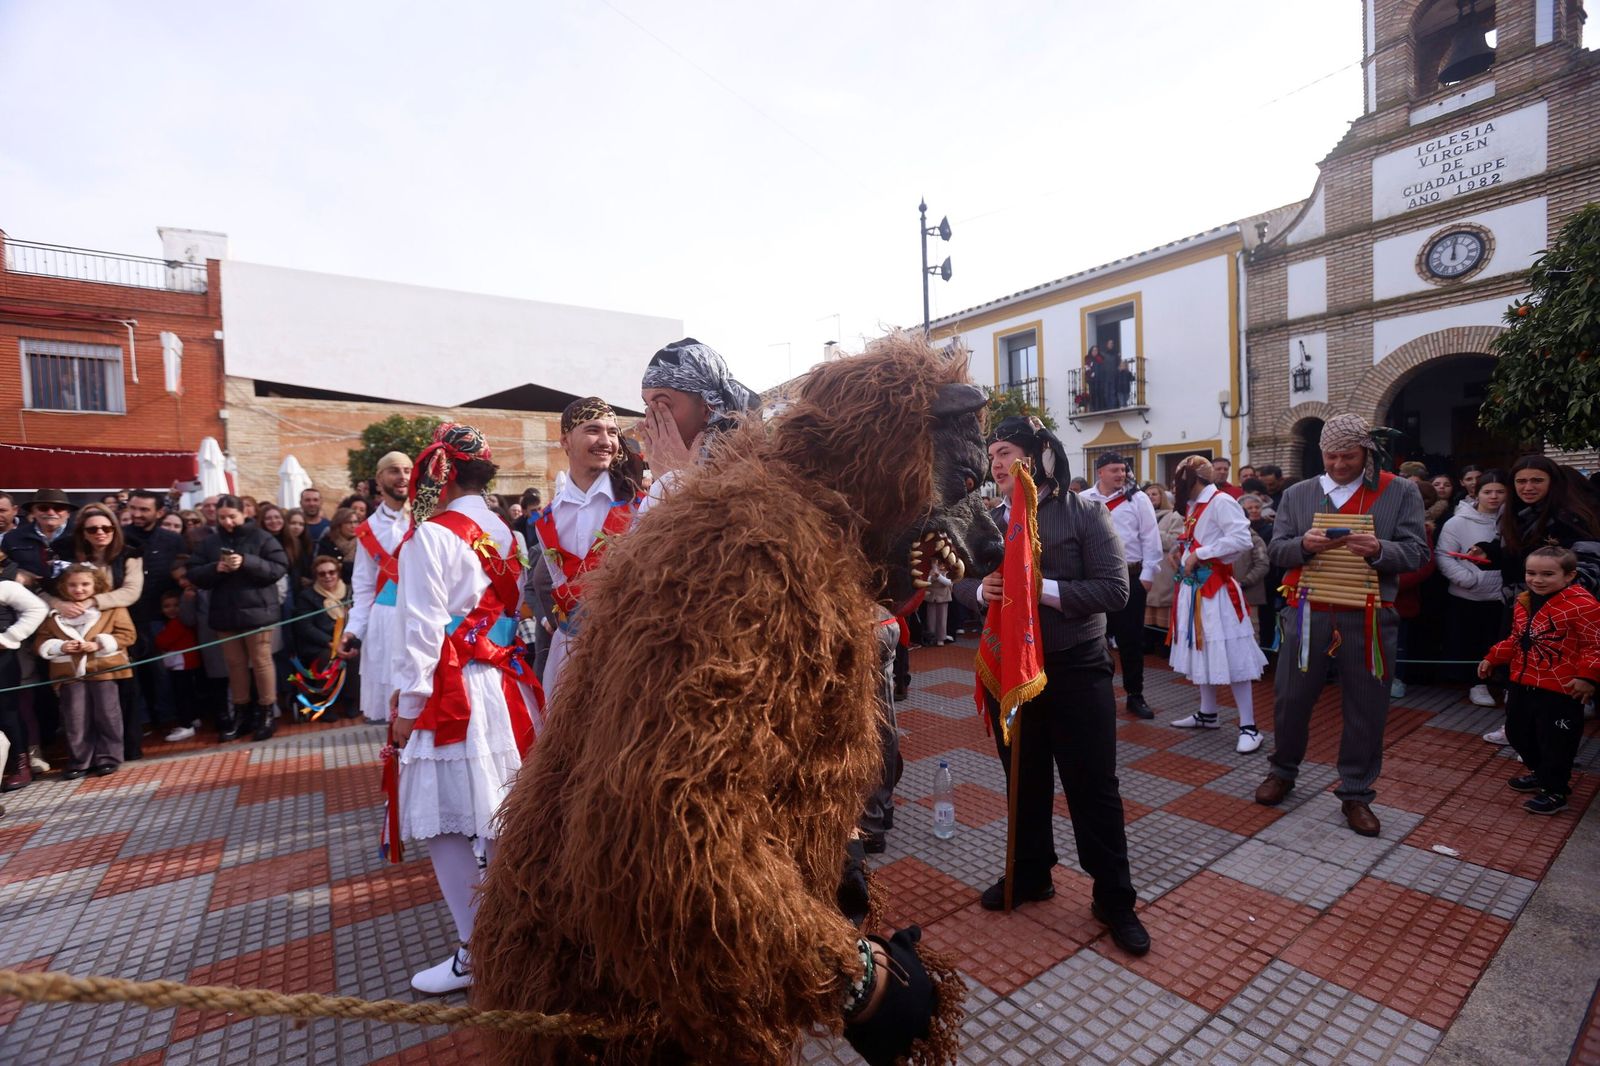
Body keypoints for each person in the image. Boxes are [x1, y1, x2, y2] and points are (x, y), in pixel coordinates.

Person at [953, 417, 1149, 955]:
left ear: (1039, 454)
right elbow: (959, 581)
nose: (996, 463)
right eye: (992, 453)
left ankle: (1114, 899)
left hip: (1077, 667)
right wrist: (981, 590)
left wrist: (1043, 589)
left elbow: (1115, 589)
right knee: (1023, 780)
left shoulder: (1086, 512)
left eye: (1007, 451)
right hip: (1015, 674)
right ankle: (1032, 872)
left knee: (1093, 788)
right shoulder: (991, 521)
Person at [390, 422, 543, 994]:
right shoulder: (506, 532)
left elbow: (422, 630)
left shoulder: (431, 536)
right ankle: (515, 938)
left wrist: (407, 705)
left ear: (440, 474)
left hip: (453, 690)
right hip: (503, 685)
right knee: (500, 814)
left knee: (448, 825)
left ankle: (476, 948)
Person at [1255, 415, 1428, 837]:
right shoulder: (1298, 494)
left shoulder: (1399, 491)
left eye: (1348, 456)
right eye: (1330, 456)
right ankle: (1283, 770)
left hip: (1369, 615)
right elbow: (1277, 550)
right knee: (1290, 699)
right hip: (1307, 610)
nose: (1338, 464)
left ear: (1366, 452)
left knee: (1367, 706)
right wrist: (1303, 546)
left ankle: (1356, 792)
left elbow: (1418, 552)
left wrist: (1381, 549)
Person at [526, 398, 643, 699]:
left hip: (625, 657)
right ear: (565, 440)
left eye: (613, 432)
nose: (606, 441)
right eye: (593, 430)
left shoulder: (639, 507)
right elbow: (551, 584)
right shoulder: (547, 519)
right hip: (565, 656)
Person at [1480, 547, 1600, 815]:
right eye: (1531, 573)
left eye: (1547, 574)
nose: (1537, 580)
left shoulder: (1584, 605)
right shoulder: (1524, 601)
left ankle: (1555, 790)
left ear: (1569, 575)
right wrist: (1493, 657)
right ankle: (1541, 773)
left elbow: (1595, 645)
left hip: (1562, 688)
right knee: (1517, 732)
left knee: (1557, 740)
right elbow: (1518, 638)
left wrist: (1587, 677)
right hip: (1523, 681)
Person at [1164, 456, 1270, 752]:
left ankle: (1249, 726)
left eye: (1179, 478)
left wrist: (1202, 553)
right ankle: (1208, 713)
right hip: (1194, 588)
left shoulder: (1221, 502)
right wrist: (1182, 549)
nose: (1175, 484)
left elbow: (1241, 539)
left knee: (1232, 653)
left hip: (1217, 591)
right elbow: (1197, 538)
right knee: (1203, 649)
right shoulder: (1194, 504)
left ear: (1193, 478)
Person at [187, 495, 290, 742]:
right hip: (225, 613)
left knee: (261, 661)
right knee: (234, 664)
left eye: (231, 516)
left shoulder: (261, 537)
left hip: (258, 612)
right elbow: (193, 572)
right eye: (222, 518)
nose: (227, 522)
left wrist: (246, 562)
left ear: (243, 513)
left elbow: (278, 567)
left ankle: (266, 712)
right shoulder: (210, 542)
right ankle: (241, 713)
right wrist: (215, 568)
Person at [55, 505, 148, 759]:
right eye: (93, 529)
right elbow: (50, 589)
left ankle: (127, 749)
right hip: (75, 631)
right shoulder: (66, 554)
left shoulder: (130, 554)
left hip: (119, 627)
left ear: (115, 529)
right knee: (80, 701)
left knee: (124, 691)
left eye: (106, 528)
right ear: (83, 532)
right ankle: (87, 754)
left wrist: (93, 602)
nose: (100, 533)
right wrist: (61, 605)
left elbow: (131, 591)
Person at [1080, 453, 1162, 719]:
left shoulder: (1138, 499)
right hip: (1093, 580)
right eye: (1114, 470)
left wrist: (1148, 574)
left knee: (1130, 641)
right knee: (1094, 640)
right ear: (1100, 472)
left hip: (1130, 578)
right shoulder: (1084, 500)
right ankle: (1096, 696)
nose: (1121, 474)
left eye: (1123, 470)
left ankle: (1134, 695)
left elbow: (1151, 537)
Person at [35, 563, 136, 778]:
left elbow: (128, 635)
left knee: (108, 714)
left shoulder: (112, 608)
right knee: (75, 717)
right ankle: (80, 760)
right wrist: (59, 647)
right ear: (63, 587)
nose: (78, 589)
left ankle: (109, 757)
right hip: (69, 674)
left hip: (104, 671)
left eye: (84, 584)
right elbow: (40, 642)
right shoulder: (55, 614)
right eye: (72, 585)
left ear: (95, 585)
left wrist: (100, 643)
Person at [637, 336, 761, 513]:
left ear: (707, 408)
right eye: (647, 406)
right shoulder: (666, 476)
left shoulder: (755, 475)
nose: (651, 419)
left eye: (662, 405)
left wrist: (673, 480)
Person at [341, 451, 413, 724]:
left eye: (407, 470)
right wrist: (353, 631)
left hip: (425, 618)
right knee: (393, 714)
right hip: (385, 624)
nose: (403, 477)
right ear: (379, 478)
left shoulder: (428, 518)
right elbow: (363, 587)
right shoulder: (367, 530)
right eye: (395, 470)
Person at [1437, 470, 1507, 712]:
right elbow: (1444, 556)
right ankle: (1477, 684)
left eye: (1500, 492)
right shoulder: (1457, 521)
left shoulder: (1511, 520)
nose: (1494, 497)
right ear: (1476, 494)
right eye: (1488, 492)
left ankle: (1506, 685)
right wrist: (1467, 579)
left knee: (1500, 641)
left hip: (1503, 594)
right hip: (1467, 594)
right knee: (1472, 642)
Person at [0, 560, 48, 791]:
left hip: (3, 659)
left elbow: (37, 608)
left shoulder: (6, 586)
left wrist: (9, 637)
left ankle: (22, 765)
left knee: (7, 712)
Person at [293, 555, 359, 719]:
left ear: (338, 573)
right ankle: (326, 702)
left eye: (331, 572)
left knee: (356, 654)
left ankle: (352, 700)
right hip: (321, 644)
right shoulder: (307, 596)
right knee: (326, 658)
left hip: (348, 639)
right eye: (322, 574)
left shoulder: (351, 592)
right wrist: (330, 643)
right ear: (316, 576)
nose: (328, 576)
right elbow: (305, 626)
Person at [152, 588, 203, 740]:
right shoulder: (177, 621)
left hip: (182, 663)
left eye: (175, 605)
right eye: (167, 606)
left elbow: (162, 641)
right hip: (183, 663)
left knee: (182, 695)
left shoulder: (177, 622)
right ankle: (193, 719)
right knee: (188, 693)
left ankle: (186, 725)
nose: (171, 609)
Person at [1142, 483, 1184, 650]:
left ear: (1162, 497)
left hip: (1164, 569)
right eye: (1148, 494)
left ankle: (1165, 644)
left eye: (1155, 494)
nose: (1151, 497)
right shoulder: (1142, 515)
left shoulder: (1174, 516)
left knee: (1164, 606)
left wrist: (1152, 532)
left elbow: (1175, 540)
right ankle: (1148, 643)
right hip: (1147, 568)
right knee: (1147, 607)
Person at [314, 507, 360, 584]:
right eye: (348, 522)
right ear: (339, 524)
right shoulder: (327, 542)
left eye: (355, 522)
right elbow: (322, 565)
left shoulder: (363, 543)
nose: (353, 526)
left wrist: (342, 566)